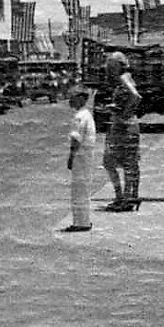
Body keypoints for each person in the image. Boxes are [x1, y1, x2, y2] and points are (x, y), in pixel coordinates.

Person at [101, 52, 142, 212]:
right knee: (129, 162)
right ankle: (130, 196)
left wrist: (124, 111)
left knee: (113, 162)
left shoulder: (124, 78)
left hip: (123, 125)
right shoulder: (126, 78)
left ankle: (123, 197)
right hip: (127, 124)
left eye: (111, 65)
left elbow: (136, 96)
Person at [64, 88, 95, 232]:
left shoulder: (80, 117)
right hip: (86, 156)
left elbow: (76, 140)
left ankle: (81, 223)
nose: (70, 100)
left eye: (73, 97)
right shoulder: (86, 114)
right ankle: (84, 220)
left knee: (79, 190)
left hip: (80, 156)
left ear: (82, 98)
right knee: (83, 188)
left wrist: (71, 157)